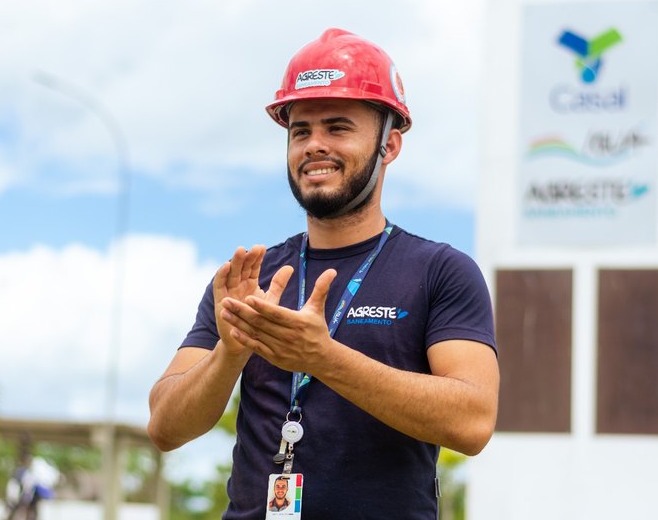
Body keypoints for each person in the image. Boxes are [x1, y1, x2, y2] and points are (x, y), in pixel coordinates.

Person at [148, 27, 499, 520]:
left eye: (337, 127)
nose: (314, 145)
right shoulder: (250, 277)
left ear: (390, 145)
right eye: (300, 131)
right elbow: (165, 427)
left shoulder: (441, 271)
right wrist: (228, 353)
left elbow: (474, 421)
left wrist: (324, 357)